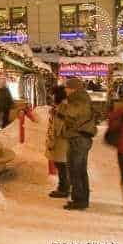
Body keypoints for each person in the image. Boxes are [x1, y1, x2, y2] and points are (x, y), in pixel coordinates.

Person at [59, 77, 97, 210]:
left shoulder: (78, 99)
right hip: (79, 137)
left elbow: (71, 112)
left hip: (78, 138)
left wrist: (63, 106)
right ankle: (80, 198)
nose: (65, 90)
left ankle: (79, 200)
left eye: (67, 87)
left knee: (76, 170)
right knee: (79, 170)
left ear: (73, 88)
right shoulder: (80, 98)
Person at [46, 86, 70, 199]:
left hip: (61, 141)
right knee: (62, 165)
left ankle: (63, 188)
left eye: (53, 94)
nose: (51, 97)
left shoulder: (63, 107)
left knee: (61, 165)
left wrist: (51, 142)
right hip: (63, 141)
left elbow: (58, 127)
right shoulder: (63, 106)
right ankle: (64, 187)